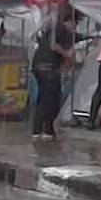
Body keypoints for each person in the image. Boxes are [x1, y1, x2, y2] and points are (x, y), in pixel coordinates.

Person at [31, 9, 74, 140]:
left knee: (43, 98)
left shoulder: (51, 29)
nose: (74, 27)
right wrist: (67, 55)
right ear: (71, 21)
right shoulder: (64, 31)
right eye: (74, 23)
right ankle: (48, 130)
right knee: (52, 99)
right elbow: (57, 48)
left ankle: (37, 130)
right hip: (49, 68)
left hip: (37, 66)